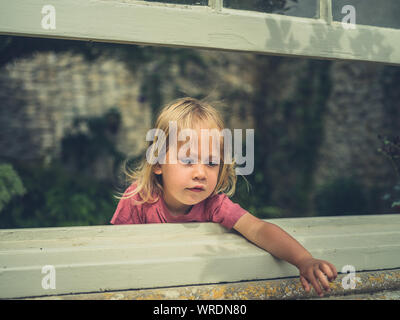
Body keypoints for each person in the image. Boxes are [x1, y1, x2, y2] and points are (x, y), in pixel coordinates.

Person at [111, 97, 337, 297]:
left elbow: (259, 230)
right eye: (188, 161)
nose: (200, 173)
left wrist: (304, 260)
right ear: (159, 163)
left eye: (211, 162)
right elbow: (112, 253)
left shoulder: (214, 205)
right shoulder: (138, 198)